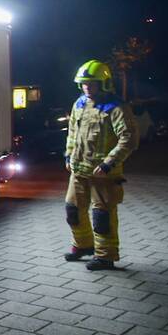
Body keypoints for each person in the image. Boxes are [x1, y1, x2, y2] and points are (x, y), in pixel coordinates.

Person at [63, 60, 137, 271]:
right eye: (84, 83)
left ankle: (105, 257)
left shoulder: (116, 107)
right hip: (79, 171)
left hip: (103, 175)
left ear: (104, 83)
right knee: (73, 210)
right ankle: (83, 246)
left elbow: (129, 139)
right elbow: (72, 134)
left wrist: (108, 163)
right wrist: (68, 155)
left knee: (102, 216)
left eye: (92, 83)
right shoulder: (79, 104)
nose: (87, 87)